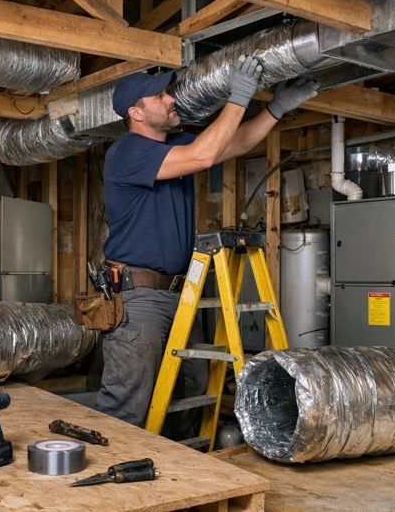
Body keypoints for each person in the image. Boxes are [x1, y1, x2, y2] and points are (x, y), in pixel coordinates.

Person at [95, 55, 319, 433]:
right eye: (159, 97)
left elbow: (234, 143)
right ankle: (107, 483)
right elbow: (205, 155)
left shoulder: (175, 146)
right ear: (136, 112)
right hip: (140, 299)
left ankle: (176, 477)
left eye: (168, 93)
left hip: (180, 292)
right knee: (127, 401)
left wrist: (276, 109)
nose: (171, 100)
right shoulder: (127, 152)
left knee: (189, 391)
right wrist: (240, 95)